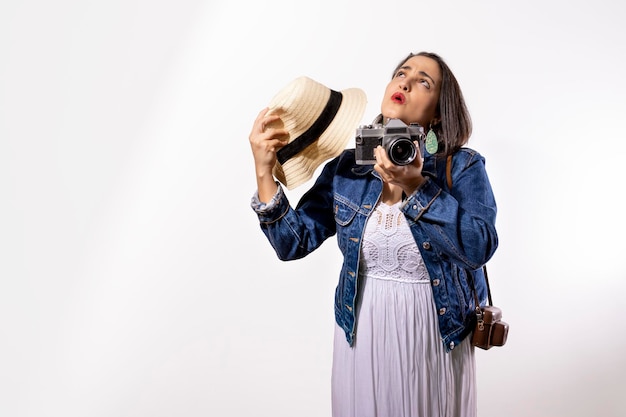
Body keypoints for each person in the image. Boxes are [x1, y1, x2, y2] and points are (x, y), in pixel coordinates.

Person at [248, 52, 498, 417]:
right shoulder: (347, 168)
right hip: (361, 335)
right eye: (401, 73)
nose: (406, 82)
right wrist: (263, 171)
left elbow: (480, 246)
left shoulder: (460, 166)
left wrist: (417, 187)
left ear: (440, 112)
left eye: (424, 81)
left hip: (433, 338)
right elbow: (292, 242)